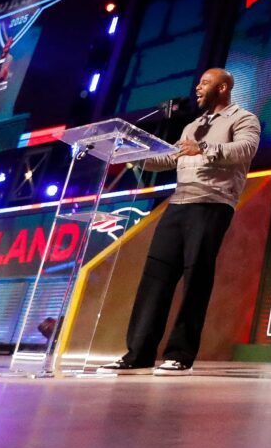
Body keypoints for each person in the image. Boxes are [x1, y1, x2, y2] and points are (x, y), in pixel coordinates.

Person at [99, 68, 260, 375]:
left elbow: (245, 150)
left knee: (196, 279)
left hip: (212, 203)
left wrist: (206, 149)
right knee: (155, 278)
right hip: (178, 204)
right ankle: (139, 353)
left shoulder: (243, 118)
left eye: (204, 83)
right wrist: (128, 155)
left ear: (223, 87)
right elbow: (169, 158)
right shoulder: (193, 125)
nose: (197, 88)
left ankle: (180, 354)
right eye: (198, 83)